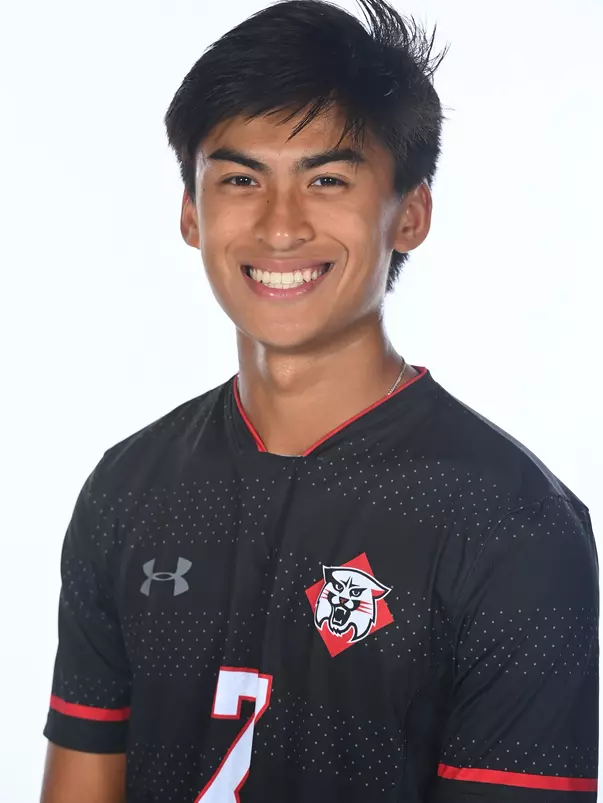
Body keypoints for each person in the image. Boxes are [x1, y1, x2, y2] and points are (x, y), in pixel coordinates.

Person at [40, 0, 599, 801]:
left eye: (327, 179)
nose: (278, 226)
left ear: (409, 213)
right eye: (240, 179)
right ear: (191, 215)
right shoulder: (127, 489)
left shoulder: (511, 524)